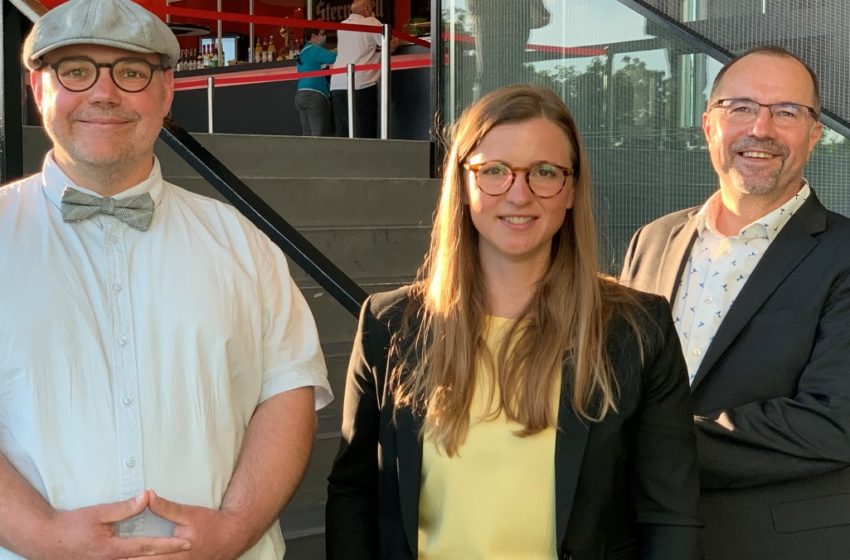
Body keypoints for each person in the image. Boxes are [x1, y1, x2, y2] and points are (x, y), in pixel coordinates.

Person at [0, 0, 332, 558]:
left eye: (131, 72)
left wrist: (235, 526)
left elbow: (287, 392)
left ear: (167, 91)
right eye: (76, 70)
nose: (103, 93)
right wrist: (43, 537)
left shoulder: (242, 242)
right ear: (39, 89)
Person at [326, 84, 700, 560]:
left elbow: (670, 517)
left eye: (545, 172)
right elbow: (354, 494)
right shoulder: (390, 324)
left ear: (571, 190)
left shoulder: (637, 330)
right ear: (462, 185)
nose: (519, 194)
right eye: (494, 172)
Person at [620, 46, 850, 560]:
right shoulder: (652, 241)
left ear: (815, 135)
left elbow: (835, 421)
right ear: (708, 125)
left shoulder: (844, 254)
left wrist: (651, 448)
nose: (761, 128)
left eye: (787, 112)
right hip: (641, 538)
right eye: (740, 107)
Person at [329, 0, 398, 138]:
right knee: (365, 131)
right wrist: (397, 40)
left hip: (337, 82)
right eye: (372, 7)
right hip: (361, 83)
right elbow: (389, 45)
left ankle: (344, 159)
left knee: (344, 130)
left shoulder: (342, 26)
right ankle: (365, 159)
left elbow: (361, 47)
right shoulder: (371, 22)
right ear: (367, 8)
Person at [295, 28, 336, 137]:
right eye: (321, 34)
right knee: (318, 134)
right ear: (313, 36)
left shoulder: (303, 51)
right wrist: (337, 50)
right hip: (314, 94)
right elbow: (333, 58)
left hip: (300, 95)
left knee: (307, 134)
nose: (323, 37)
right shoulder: (314, 49)